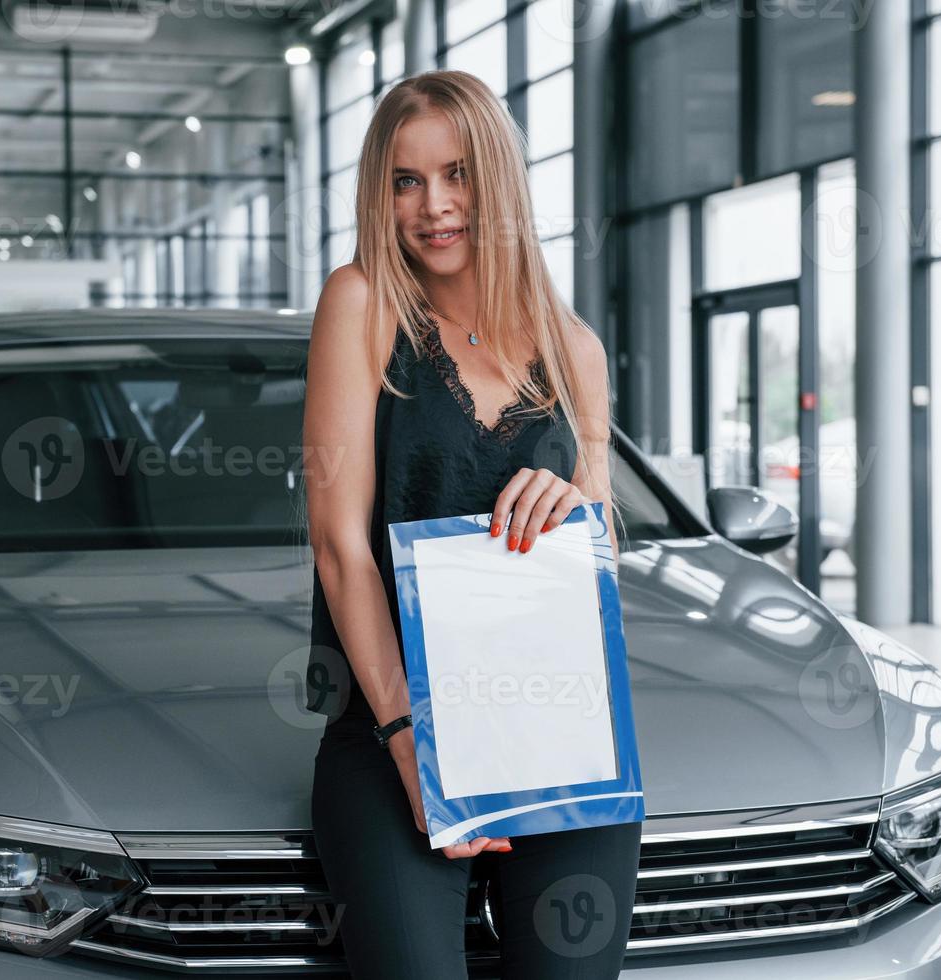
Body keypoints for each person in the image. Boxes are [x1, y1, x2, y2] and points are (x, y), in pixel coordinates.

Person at [300, 69, 643, 979]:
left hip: (560, 727)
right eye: (406, 181)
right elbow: (341, 549)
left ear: (498, 179)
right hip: (392, 729)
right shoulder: (362, 304)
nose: (435, 206)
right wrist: (415, 748)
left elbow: (603, 539)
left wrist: (576, 507)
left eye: (457, 174)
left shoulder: (576, 350)